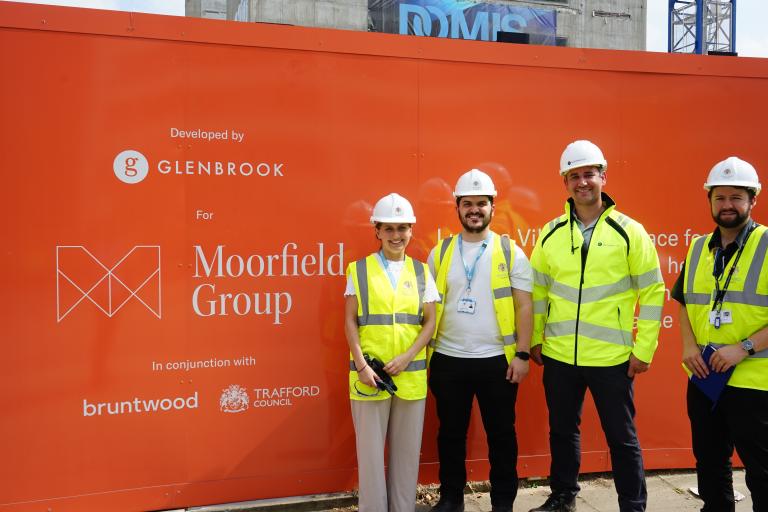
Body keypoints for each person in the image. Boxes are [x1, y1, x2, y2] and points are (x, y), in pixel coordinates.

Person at [529, 140, 664, 512]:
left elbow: (653, 291)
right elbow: (538, 290)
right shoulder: (551, 232)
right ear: (565, 182)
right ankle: (563, 497)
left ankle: (632, 505)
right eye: (574, 176)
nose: (582, 182)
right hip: (559, 355)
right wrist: (537, 337)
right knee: (562, 432)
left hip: (611, 358)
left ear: (603, 176)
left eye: (589, 174)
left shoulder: (629, 231)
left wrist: (644, 348)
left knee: (622, 439)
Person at [428, 169, 533, 512]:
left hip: (496, 361)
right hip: (448, 359)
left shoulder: (510, 251)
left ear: (492, 207)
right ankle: (451, 498)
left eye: (481, 203)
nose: (474, 210)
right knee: (450, 435)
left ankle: (502, 503)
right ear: (457, 208)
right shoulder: (440, 252)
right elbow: (428, 308)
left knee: (501, 435)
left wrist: (522, 355)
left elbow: (524, 305)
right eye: (468, 203)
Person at [672, 156, 768, 512]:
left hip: (755, 382)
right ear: (710, 200)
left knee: (762, 471)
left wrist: (743, 348)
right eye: (720, 197)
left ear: (752, 200)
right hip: (705, 377)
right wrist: (688, 346)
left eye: (736, 197)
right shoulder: (699, 247)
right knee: (710, 464)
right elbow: (684, 302)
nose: (727, 205)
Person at [344, 192, 438, 512]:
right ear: (377, 231)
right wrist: (361, 366)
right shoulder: (359, 270)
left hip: (410, 377)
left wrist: (408, 356)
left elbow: (430, 322)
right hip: (369, 376)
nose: (396, 235)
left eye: (402, 228)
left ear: (411, 230)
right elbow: (349, 320)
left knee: (407, 455)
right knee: (370, 457)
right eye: (389, 228)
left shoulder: (422, 272)